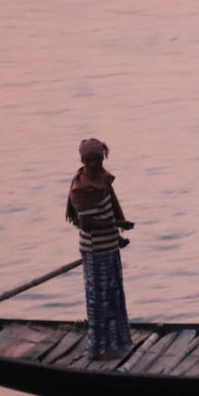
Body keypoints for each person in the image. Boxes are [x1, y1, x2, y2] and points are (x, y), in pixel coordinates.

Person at [66, 138, 134, 359]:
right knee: (99, 299)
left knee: (114, 294)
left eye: (97, 159)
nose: (94, 163)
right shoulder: (81, 189)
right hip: (95, 250)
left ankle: (119, 342)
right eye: (89, 160)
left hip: (109, 246)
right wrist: (116, 225)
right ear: (82, 160)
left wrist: (118, 235)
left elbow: (112, 205)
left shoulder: (102, 179)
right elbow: (87, 224)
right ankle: (99, 349)